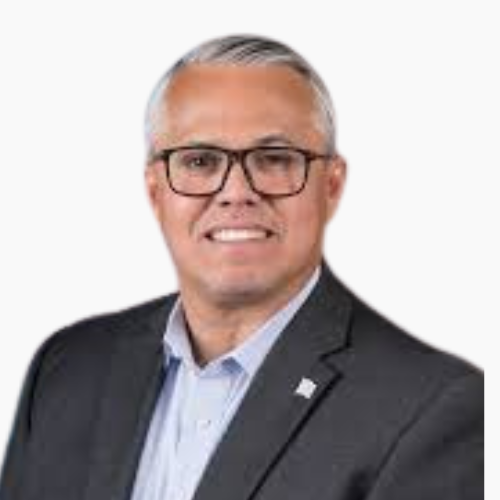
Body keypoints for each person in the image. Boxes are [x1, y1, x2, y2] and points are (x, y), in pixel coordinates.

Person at [0, 35, 483, 500]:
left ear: (331, 186)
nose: (236, 192)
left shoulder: (432, 408)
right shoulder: (67, 368)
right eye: (200, 161)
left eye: (274, 159)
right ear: (155, 191)